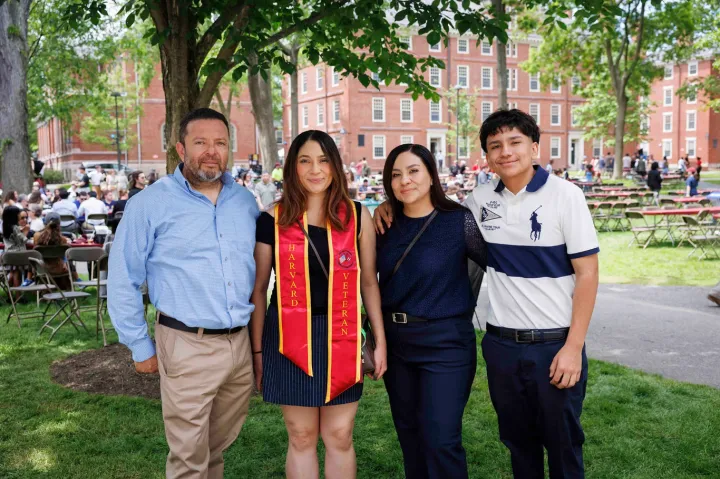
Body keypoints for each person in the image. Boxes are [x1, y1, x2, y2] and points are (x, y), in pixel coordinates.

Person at [375, 109, 598, 479]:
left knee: (562, 445)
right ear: (487, 155)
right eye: (495, 146)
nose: (505, 152)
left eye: (514, 142)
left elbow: (588, 273)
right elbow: (435, 224)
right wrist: (390, 206)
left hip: (555, 344)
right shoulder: (479, 202)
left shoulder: (566, 196)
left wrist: (573, 347)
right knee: (518, 443)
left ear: (535, 146)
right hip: (501, 345)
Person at [108, 108, 259, 478]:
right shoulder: (149, 204)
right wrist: (139, 346)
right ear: (180, 148)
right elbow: (123, 277)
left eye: (220, 143)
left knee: (214, 449)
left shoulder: (245, 203)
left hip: (239, 347)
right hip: (185, 344)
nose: (212, 151)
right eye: (201, 142)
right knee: (189, 458)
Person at [250, 130, 387, 479]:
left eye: (324, 160)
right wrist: (258, 352)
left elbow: (369, 281)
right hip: (288, 336)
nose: (315, 170)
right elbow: (260, 287)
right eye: (305, 161)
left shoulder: (357, 216)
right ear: (292, 168)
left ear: (335, 166)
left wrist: (380, 341)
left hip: (342, 333)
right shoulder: (272, 219)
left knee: (339, 435)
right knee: (301, 435)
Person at [372, 143, 486, 479]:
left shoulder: (458, 221)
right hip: (397, 345)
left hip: (446, 343)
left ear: (431, 175)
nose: (404, 180)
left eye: (413, 171)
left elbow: (499, 265)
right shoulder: (383, 225)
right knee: (411, 440)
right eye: (395, 175)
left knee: (441, 441)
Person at [33, 212, 76, 290]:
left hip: (41, 269)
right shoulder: (63, 239)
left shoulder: (37, 236)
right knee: (69, 260)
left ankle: (29, 280)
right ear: (59, 224)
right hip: (59, 269)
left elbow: (35, 253)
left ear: (45, 223)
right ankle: (74, 280)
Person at [2, 206, 30, 287]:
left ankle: (10, 295)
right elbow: (22, 241)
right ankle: (18, 295)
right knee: (17, 274)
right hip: (17, 254)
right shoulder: (15, 227)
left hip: (8, 254)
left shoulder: (5, 226)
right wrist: (26, 231)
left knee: (12, 272)